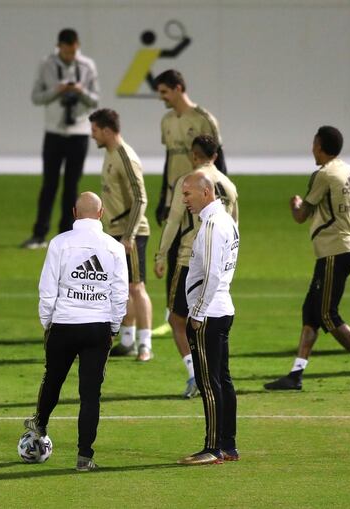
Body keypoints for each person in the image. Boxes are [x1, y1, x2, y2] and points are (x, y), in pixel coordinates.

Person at [264, 126, 350, 392]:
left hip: (334, 251)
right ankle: (295, 374)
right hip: (347, 249)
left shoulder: (323, 175)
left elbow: (301, 217)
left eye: (314, 144)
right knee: (310, 312)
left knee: (326, 314)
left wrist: (295, 204)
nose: (312, 149)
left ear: (321, 147)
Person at [24, 192, 128, 472]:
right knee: (91, 394)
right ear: (101, 212)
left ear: (73, 212)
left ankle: (40, 422)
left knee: (53, 379)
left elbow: (47, 288)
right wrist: (114, 327)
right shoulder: (114, 248)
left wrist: (47, 322)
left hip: (65, 324)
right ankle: (85, 456)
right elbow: (120, 294)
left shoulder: (60, 243)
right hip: (97, 327)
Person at [155, 135, 238, 398]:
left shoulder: (188, 181)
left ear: (194, 155)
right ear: (215, 155)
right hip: (222, 263)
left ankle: (196, 375)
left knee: (178, 320)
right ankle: (207, 376)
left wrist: (160, 254)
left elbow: (173, 222)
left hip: (189, 259)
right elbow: (236, 228)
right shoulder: (229, 185)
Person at [153, 69, 225, 338]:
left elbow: (219, 161)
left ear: (179, 88)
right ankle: (174, 313)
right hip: (176, 197)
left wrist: (219, 198)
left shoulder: (204, 119)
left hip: (200, 199)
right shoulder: (167, 121)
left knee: (198, 253)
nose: (162, 98)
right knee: (173, 254)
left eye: (164, 92)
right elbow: (168, 160)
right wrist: (164, 197)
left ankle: (203, 310)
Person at [176, 171, 239, 466]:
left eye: (187, 194)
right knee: (222, 380)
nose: (184, 199)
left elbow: (212, 273)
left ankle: (213, 448)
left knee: (209, 383)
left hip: (209, 314)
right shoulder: (226, 221)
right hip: (222, 308)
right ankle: (228, 444)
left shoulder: (212, 225)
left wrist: (197, 313)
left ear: (206, 192)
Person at [21, 28, 101, 249]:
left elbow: (95, 100)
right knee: (49, 184)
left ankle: (66, 234)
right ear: (59, 47)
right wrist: (57, 90)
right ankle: (39, 234)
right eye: (66, 52)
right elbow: (36, 97)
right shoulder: (47, 64)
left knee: (71, 186)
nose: (70, 56)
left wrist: (80, 91)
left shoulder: (87, 66)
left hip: (79, 132)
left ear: (77, 46)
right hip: (54, 132)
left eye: (73, 51)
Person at [89, 109, 153, 361]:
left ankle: (145, 345)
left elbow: (140, 198)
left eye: (94, 130)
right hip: (115, 231)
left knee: (137, 287)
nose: (92, 135)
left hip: (130, 233)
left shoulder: (126, 157)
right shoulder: (110, 154)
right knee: (121, 287)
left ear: (106, 130)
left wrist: (129, 235)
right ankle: (127, 339)